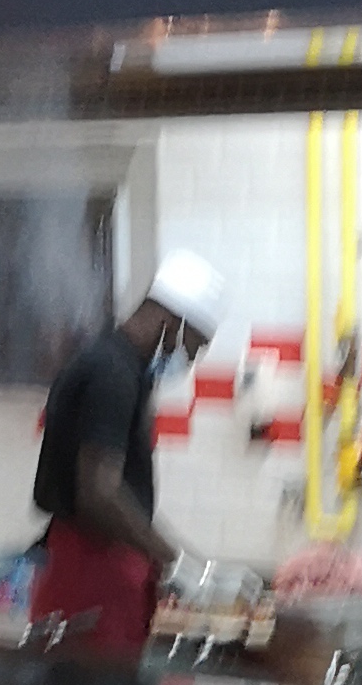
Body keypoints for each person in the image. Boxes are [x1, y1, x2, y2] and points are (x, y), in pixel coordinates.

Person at [29, 249, 228, 661]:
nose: (188, 360)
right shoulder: (112, 374)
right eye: (192, 347)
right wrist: (177, 563)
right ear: (173, 323)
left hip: (101, 572)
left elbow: (120, 490)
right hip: (91, 579)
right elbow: (100, 492)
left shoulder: (115, 365)